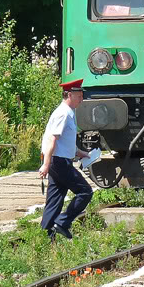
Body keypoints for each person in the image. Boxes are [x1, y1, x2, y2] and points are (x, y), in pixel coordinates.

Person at [38, 79, 93, 241]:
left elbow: (64, 140)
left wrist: (80, 152)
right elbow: (52, 140)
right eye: (79, 96)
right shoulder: (63, 113)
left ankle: (45, 236)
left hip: (60, 160)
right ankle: (62, 222)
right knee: (85, 191)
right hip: (59, 162)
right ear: (69, 95)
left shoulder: (68, 112)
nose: (81, 100)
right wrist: (46, 165)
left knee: (54, 200)